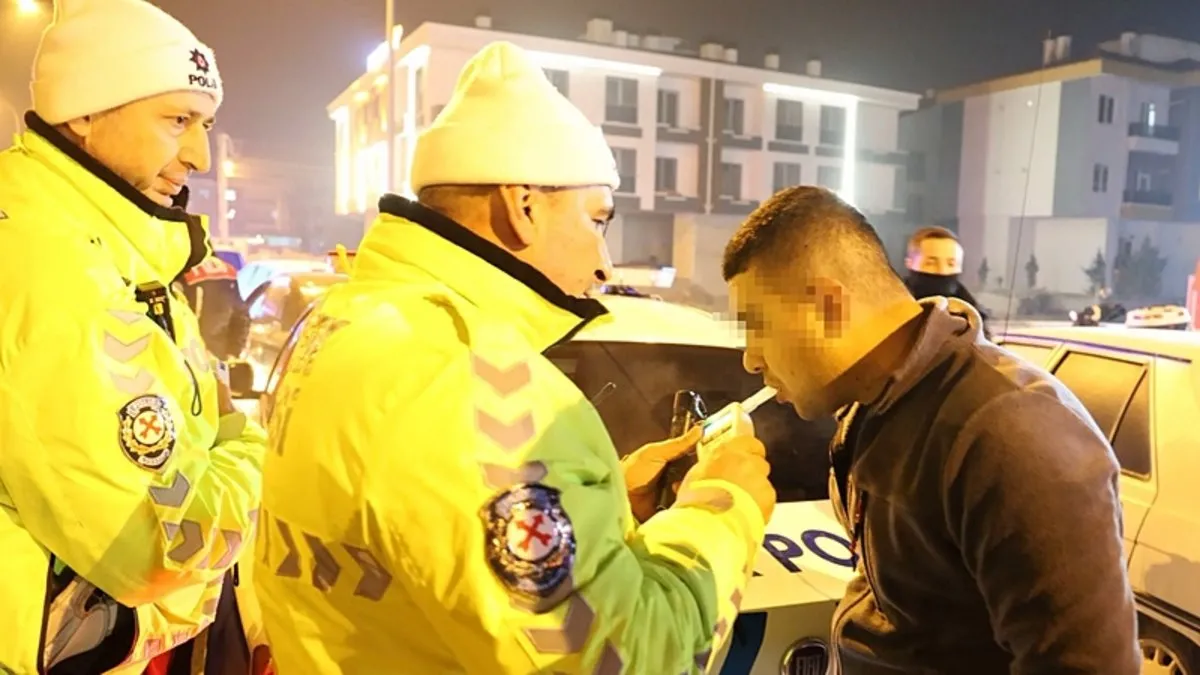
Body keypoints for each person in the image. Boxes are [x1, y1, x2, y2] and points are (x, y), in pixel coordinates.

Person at [253, 41, 775, 674]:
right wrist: (723, 507)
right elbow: (628, 660)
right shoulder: (476, 383)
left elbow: (419, 550)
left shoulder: (346, 319)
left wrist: (602, 506)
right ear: (523, 207)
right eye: (597, 219)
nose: (605, 265)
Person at [721, 186, 1139, 674]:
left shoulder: (1012, 434)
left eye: (759, 327)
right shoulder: (875, 402)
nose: (751, 358)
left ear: (826, 307)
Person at [0, 0, 269, 673]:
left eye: (204, 124)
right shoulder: (60, 271)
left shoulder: (102, 248)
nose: (200, 155)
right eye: (176, 120)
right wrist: (258, 454)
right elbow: (164, 548)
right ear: (84, 112)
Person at [177, 254, 252, 361]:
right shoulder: (225, 270)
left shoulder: (173, 268)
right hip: (217, 355)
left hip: (186, 356)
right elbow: (240, 315)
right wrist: (233, 352)